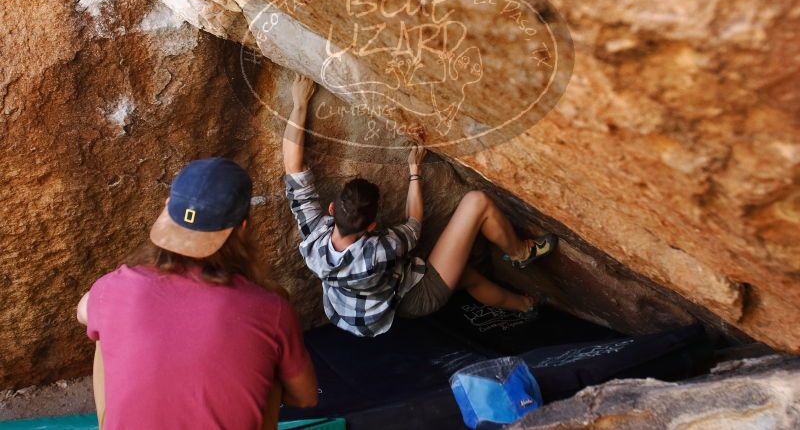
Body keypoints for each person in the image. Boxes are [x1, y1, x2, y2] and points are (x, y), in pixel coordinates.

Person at [282, 74, 557, 338]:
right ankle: (521, 253)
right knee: (477, 203)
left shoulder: (315, 240)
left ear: (332, 210)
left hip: (357, 311)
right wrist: (415, 171)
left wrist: (299, 104)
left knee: (468, 276)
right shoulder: (378, 251)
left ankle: (525, 305)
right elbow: (413, 227)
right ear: (373, 225)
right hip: (411, 298)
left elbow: (293, 167)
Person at [76, 157, 317, 429]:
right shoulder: (271, 306)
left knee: (102, 329)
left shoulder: (114, 287)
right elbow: (305, 397)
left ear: (167, 211)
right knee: (270, 364)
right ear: (243, 228)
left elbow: (83, 312)